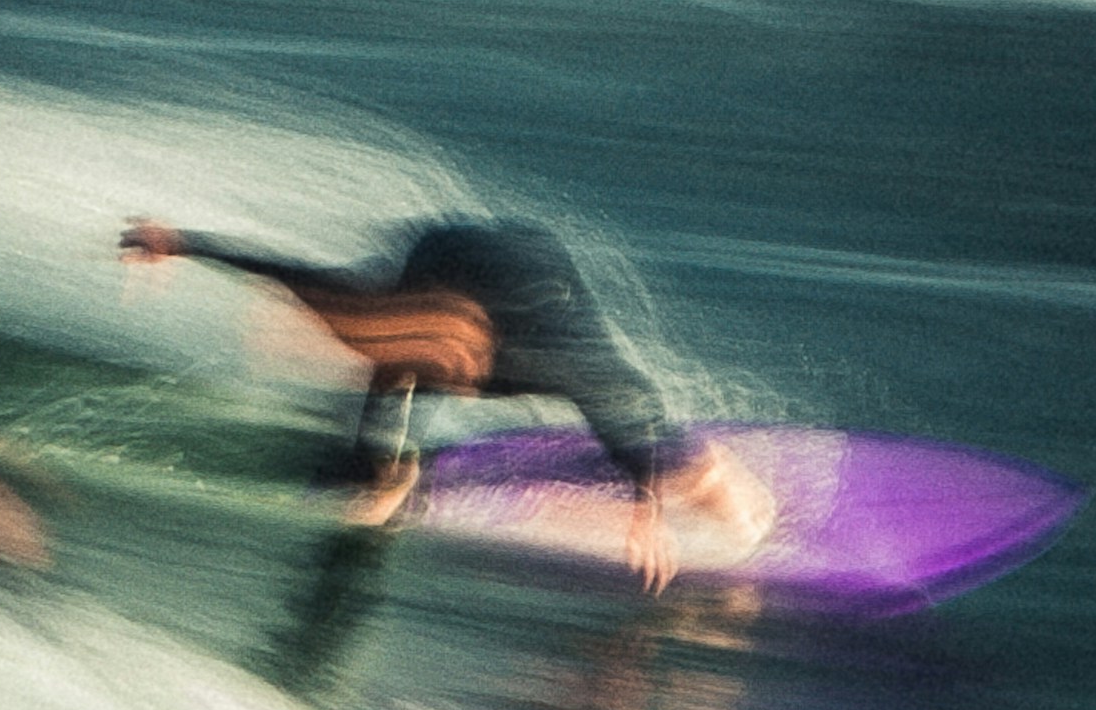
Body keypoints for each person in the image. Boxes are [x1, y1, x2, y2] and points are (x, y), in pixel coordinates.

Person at [120, 216, 770, 593]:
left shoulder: (552, 353)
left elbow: (629, 401)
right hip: (441, 256)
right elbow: (282, 269)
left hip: (531, 274)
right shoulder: (389, 324)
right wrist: (178, 242)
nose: (443, 383)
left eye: (450, 375)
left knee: (679, 470)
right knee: (373, 425)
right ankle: (382, 470)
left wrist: (647, 507)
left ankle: (723, 489)